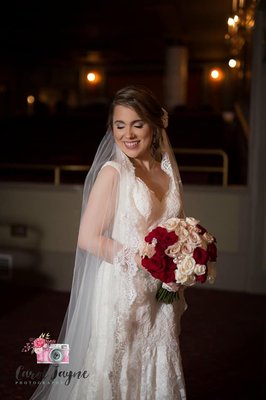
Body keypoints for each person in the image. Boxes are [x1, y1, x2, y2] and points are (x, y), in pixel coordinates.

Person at [30, 85, 187, 400]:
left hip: (159, 292)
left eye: (137, 124)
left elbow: (175, 230)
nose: (128, 134)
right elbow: (87, 238)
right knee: (114, 368)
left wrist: (184, 257)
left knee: (153, 360)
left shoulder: (166, 174)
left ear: (154, 126)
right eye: (119, 125)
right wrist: (140, 258)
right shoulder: (113, 173)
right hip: (120, 289)